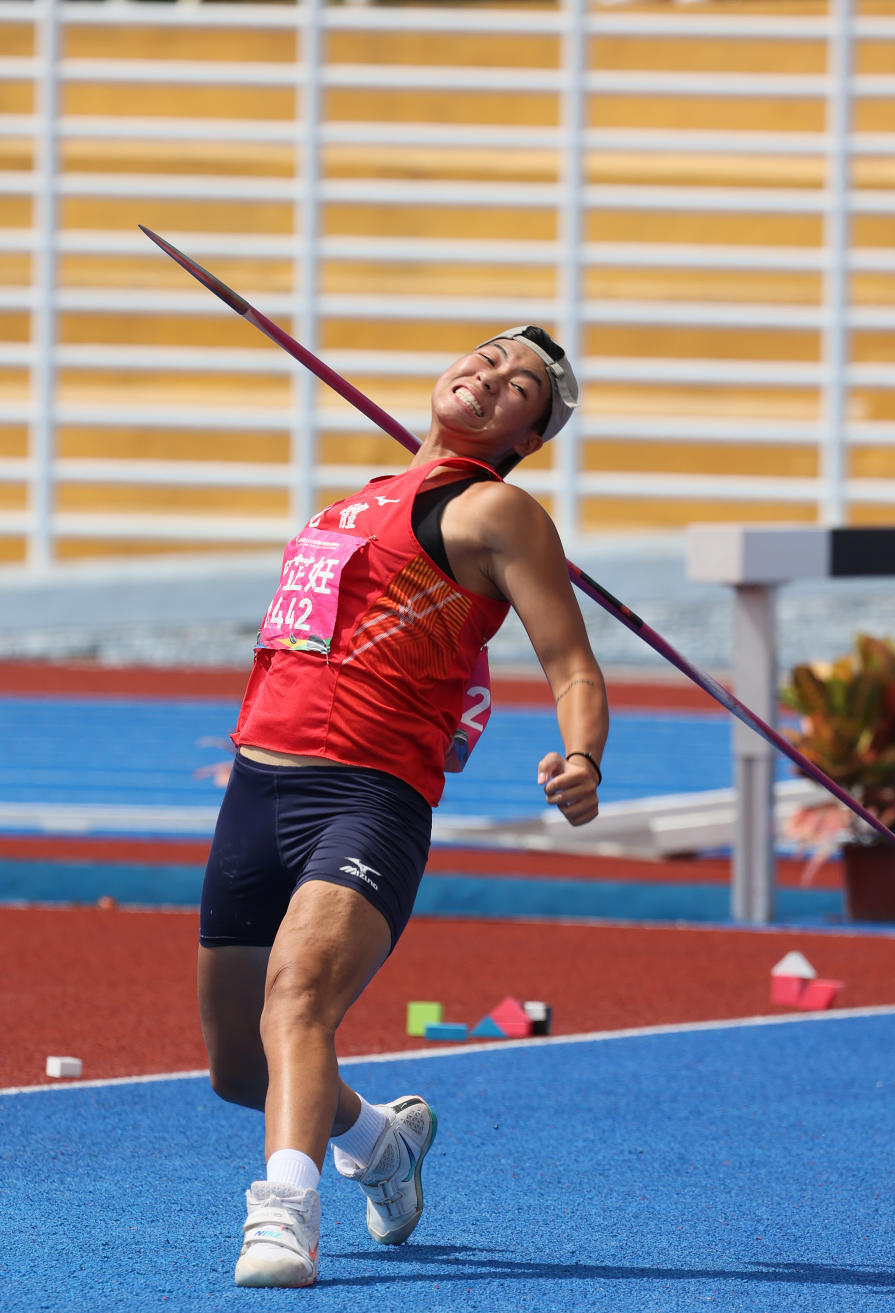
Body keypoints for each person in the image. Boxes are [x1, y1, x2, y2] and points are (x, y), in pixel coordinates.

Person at [197, 325, 609, 1288]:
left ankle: (284, 1218)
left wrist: (582, 754)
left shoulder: (499, 513)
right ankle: (383, 1141)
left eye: (518, 389)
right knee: (237, 1067)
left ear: (527, 438)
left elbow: (574, 666)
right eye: (486, 357)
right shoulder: (352, 503)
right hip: (260, 787)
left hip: (369, 793)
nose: (490, 375)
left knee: (298, 1000)